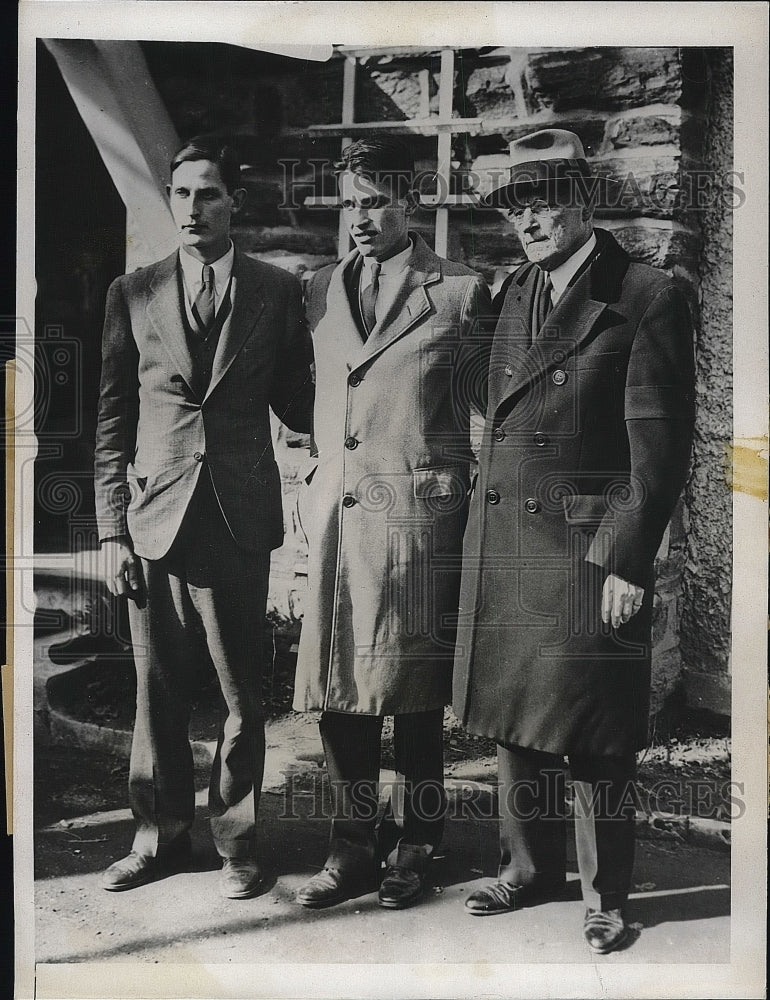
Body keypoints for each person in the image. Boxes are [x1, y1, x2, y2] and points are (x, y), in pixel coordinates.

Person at [452, 129, 695, 952]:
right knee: (515, 712)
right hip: (510, 544)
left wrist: (628, 559)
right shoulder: (514, 289)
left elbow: (658, 447)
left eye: (545, 199)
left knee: (596, 728)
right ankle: (526, 868)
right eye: (517, 205)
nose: (529, 219)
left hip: (588, 548)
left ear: (583, 201)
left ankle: (607, 894)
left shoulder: (645, 292)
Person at [94, 136, 314, 899]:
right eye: (183, 194)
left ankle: (239, 844)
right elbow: (111, 422)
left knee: (239, 693)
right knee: (154, 690)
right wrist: (111, 529)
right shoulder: (134, 291)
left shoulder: (276, 292)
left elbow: (300, 401)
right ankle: (156, 836)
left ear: (234, 204)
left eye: (209, 194)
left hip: (236, 518)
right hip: (154, 520)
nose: (194, 208)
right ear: (172, 201)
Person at [293, 136, 492, 910]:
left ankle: (417, 841)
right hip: (340, 517)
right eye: (349, 203)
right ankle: (349, 846)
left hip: (416, 518)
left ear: (413, 203)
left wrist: (459, 490)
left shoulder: (460, 291)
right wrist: (309, 471)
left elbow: (488, 410)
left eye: (375, 201)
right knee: (340, 680)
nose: (359, 218)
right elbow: (300, 391)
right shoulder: (317, 290)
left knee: (411, 687)